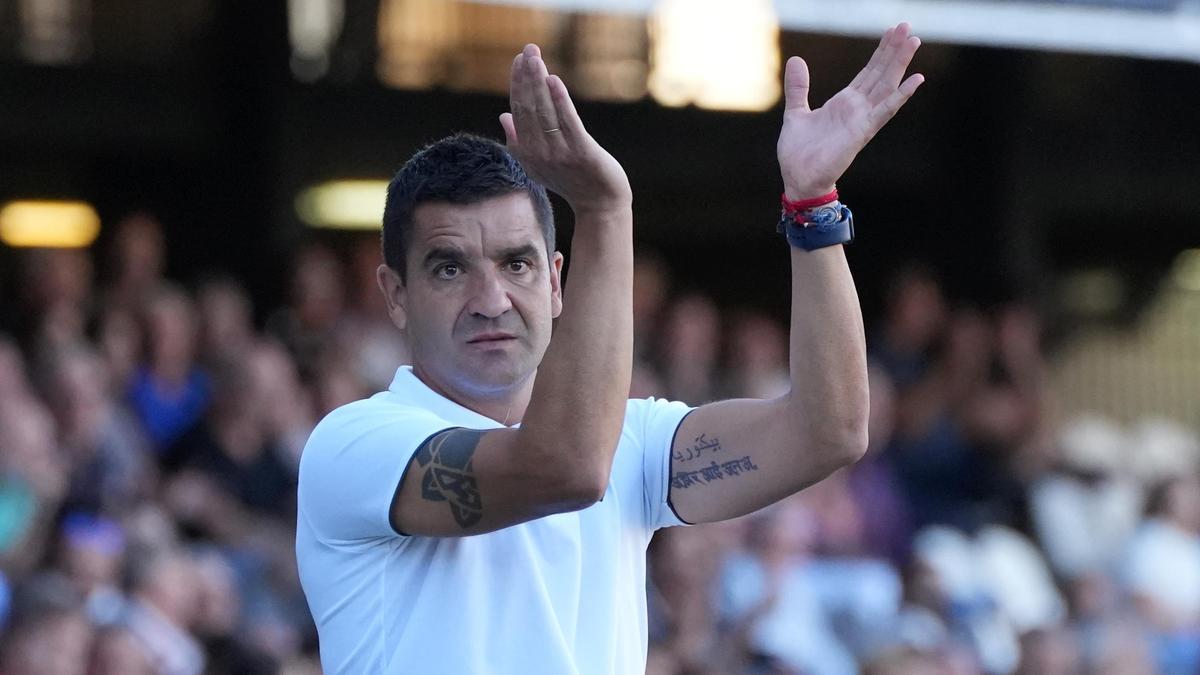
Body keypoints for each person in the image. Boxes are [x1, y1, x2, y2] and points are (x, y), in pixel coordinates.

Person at [296, 24, 925, 674]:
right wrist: (603, 211)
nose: (491, 298)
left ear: (558, 280)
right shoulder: (353, 444)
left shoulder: (630, 440)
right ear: (393, 293)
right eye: (450, 268)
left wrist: (813, 205)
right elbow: (564, 466)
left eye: (517, 264)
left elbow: (830, 430)